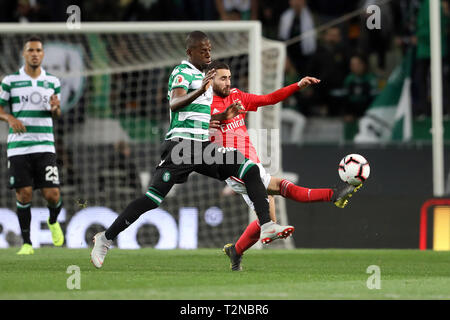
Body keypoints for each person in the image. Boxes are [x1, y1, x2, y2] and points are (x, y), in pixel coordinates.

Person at [90, 31, 294, 268]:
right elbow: (175, 103)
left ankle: (267, 225)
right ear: (190, 52)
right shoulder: (181, 72)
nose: (208, 54)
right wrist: (200, 90)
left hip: (203, 146)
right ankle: (105, 238)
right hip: (181, 147)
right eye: (203, 50)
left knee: (249, 169)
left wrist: (222, 115)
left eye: (209, 49)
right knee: (152, 199)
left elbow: (196, 115)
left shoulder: (203, 77)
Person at [206, 61, 363, 271]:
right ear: (210, 80)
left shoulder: (236, 96)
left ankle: (236, 250)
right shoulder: (205, 105)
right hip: (233, 166)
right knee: (280, 187)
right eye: (222, 78)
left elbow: (268, 99)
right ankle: (333, 195)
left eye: (229, 77)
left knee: (268, 218)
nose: (227, 82)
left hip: (252, 164)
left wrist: (297, 86)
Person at [0, 36, 64, 255]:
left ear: (43, 54)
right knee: (24, 193)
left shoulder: (53, 82)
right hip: (19, 147)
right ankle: (27, 243)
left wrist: (56, 108)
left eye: (38, 50)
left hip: (45, 146)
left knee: (52, 194)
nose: (35, 53)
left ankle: (53, 221)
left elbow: (56, 113)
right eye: (31, 50)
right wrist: (10, 118)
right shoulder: (10, 81)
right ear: (24, 54)